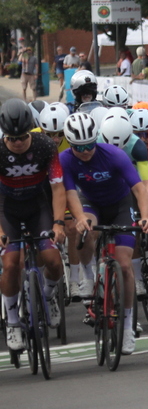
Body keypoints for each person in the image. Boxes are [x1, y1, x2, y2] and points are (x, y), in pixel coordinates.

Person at [61, 112, 148, 355]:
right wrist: (80, 219)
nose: (86, 151)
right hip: (90, 203)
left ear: (96, 139)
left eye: (90, 144)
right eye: (79, 147)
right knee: (84, 231)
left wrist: (145, 216)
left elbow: (139, 188)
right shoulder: (65, 160)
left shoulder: (114, 154)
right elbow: (71, 193)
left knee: (124, 266)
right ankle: (89, 276)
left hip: (121, 204)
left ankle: (127, 325)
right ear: (70, 145)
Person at [0, 99, 66, 351]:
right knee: (10, 263)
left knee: (53, 260)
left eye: (22, 137)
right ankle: (13, 322)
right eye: (11, 138)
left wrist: (59, 222)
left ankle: (48, 297)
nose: (17, 142)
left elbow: (58, 187)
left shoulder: (45, 146)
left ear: (31, 129)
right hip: (8, 208)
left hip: (37, 206)